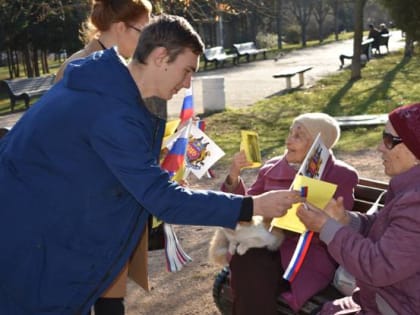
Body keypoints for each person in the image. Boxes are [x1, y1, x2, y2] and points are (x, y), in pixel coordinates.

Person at [0, 14, 303, 315]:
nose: (186, 85)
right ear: (160, 57)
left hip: (38, 242)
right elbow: (162, 200)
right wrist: (253, 206)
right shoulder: (111, 110)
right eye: (186, 71)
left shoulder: (108, 93)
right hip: (32, 252)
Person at [53, 2, 152, 314]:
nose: (148, 38)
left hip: (106, 200)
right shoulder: (82, 67)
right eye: (144, 29)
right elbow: (71, 140)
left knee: (109, 295)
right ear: (121, 27)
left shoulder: (114, 66)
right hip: (85, 203)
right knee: (96, 294)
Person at [220, 113, 359, 314]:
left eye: (298, 136)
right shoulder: (271, 167)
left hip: (308, 252)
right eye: (290, 133)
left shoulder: (341, 175)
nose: (288, 140)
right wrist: (234, 175)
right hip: (265, 244)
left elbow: (340, 222)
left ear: (318, 145)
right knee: (251, 261)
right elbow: (247, 207)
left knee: (251, 265)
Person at [297, 102, 420, 314]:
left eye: (389, 140)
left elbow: (378, 267)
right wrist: (346, 221)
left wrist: (326, 227)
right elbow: (389, 228)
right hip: (386, 298)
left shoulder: (415, 203)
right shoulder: (409, 190)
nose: (380, 147)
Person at [54, 0, 152, 83]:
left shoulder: (102, 65)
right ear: (121, 27)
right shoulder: (82, 70)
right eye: (144, 32)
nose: (147, 40)